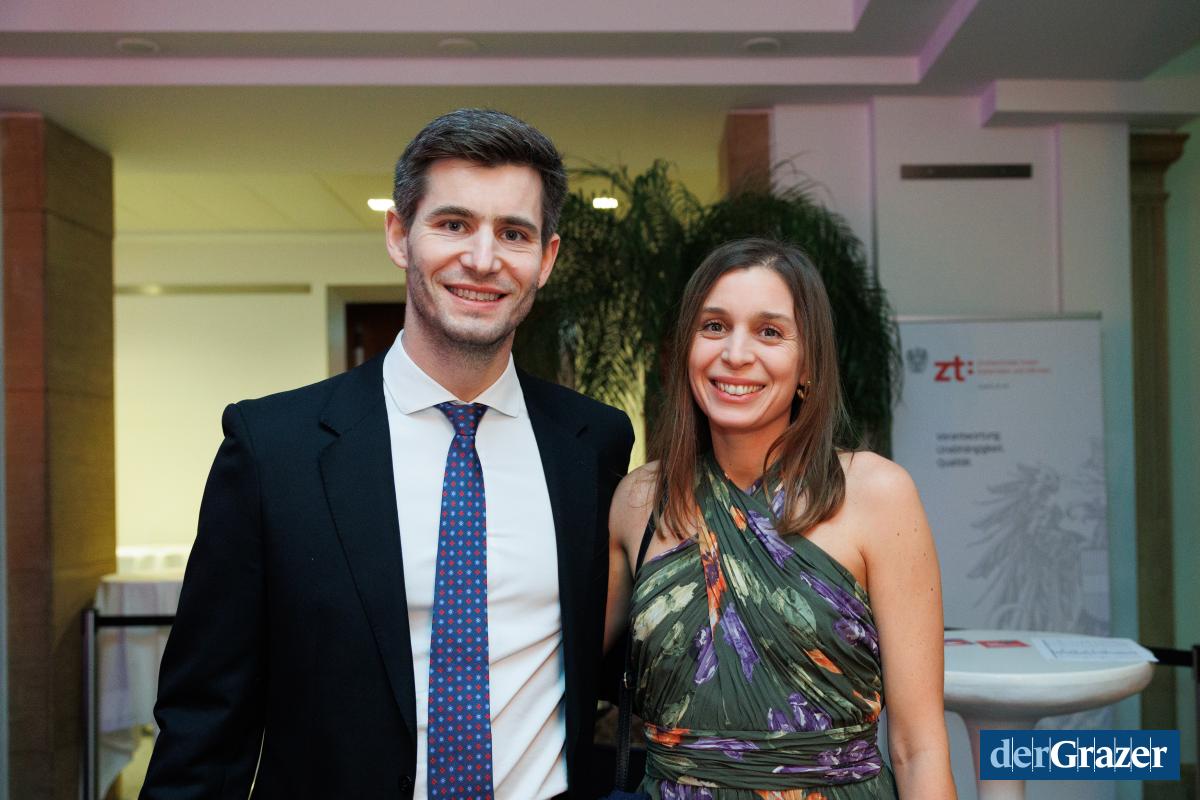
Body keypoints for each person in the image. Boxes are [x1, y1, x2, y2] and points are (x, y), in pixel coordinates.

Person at [141, 108, 634, 800]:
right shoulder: (274, 449)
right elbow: (204, 721)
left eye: (513, 233)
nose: (483, 259)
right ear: (400, 236)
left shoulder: (593, 444)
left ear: (546, 259)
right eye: (453, 224)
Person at [605, 239, 954, 799]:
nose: (735, 353)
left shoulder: (877, 495)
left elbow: (919, 747)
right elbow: (553, 674)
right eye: (714, 326)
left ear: (808, 364)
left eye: (769, 332)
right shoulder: (640, 500)